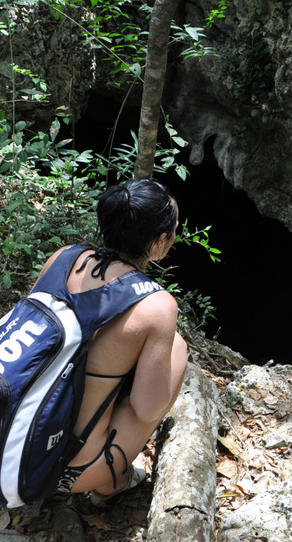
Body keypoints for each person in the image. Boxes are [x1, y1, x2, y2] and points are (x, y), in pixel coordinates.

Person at [38, 179, 188, 502]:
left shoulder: (64, 258)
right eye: (173, 231)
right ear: (160, 242)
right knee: (177, 349)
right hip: (58, 474)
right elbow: (146, 410)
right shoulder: (157, 307)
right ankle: (110, 482)